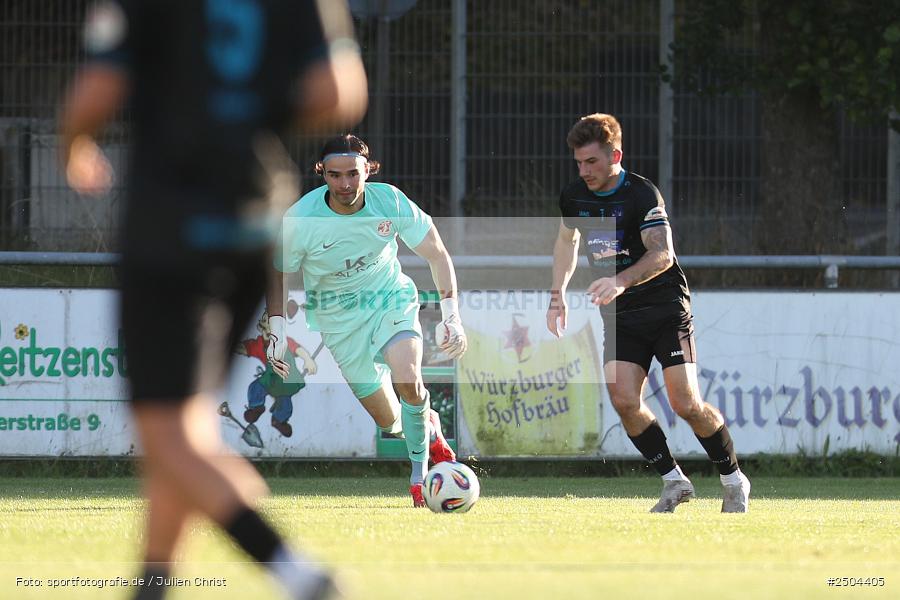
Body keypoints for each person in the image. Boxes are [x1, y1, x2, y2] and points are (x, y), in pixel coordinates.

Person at [58, 1, 367, 599]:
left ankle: (295, 573)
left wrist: (73, 142)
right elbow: (338, 90)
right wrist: (250, 114)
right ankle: (152, 584)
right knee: (186, 429)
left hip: (171, 225)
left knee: (167, 432)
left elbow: (99, 88)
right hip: (253, 223)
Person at [546, 113, 751, 513]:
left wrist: (620, 280)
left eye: (592, 162)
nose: (584, 171)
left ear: (615, 155)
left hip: (664, 309)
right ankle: (674, 482)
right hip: (621, 315)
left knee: (686, 404)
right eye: (579, 163)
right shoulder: (574, 196)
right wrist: (558, 293)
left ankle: (733, 479)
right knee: (624, 399)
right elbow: (566, 242)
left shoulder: (642, 194)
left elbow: (662, 253)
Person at [266, 134, 466, 507]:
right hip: (338, 323)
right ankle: (430, 429)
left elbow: (437, 254)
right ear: (321, 173)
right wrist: (277, 329)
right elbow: (276, 272)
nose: (345, 184)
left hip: (390, 301)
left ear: (368, 171)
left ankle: (419, 476)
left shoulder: (388, 200)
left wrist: (452, 315)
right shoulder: (301, 219)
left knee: (409, 379)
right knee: (389, 421)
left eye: (353, 175)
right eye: (335, 175)